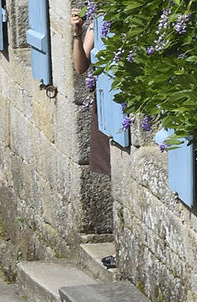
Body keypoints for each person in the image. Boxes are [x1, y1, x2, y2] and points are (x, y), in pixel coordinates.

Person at [69, 6, 111, 176]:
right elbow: (80, 67)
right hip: (106, 104)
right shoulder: (99, 21)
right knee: (109, 167)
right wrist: (77, 34)